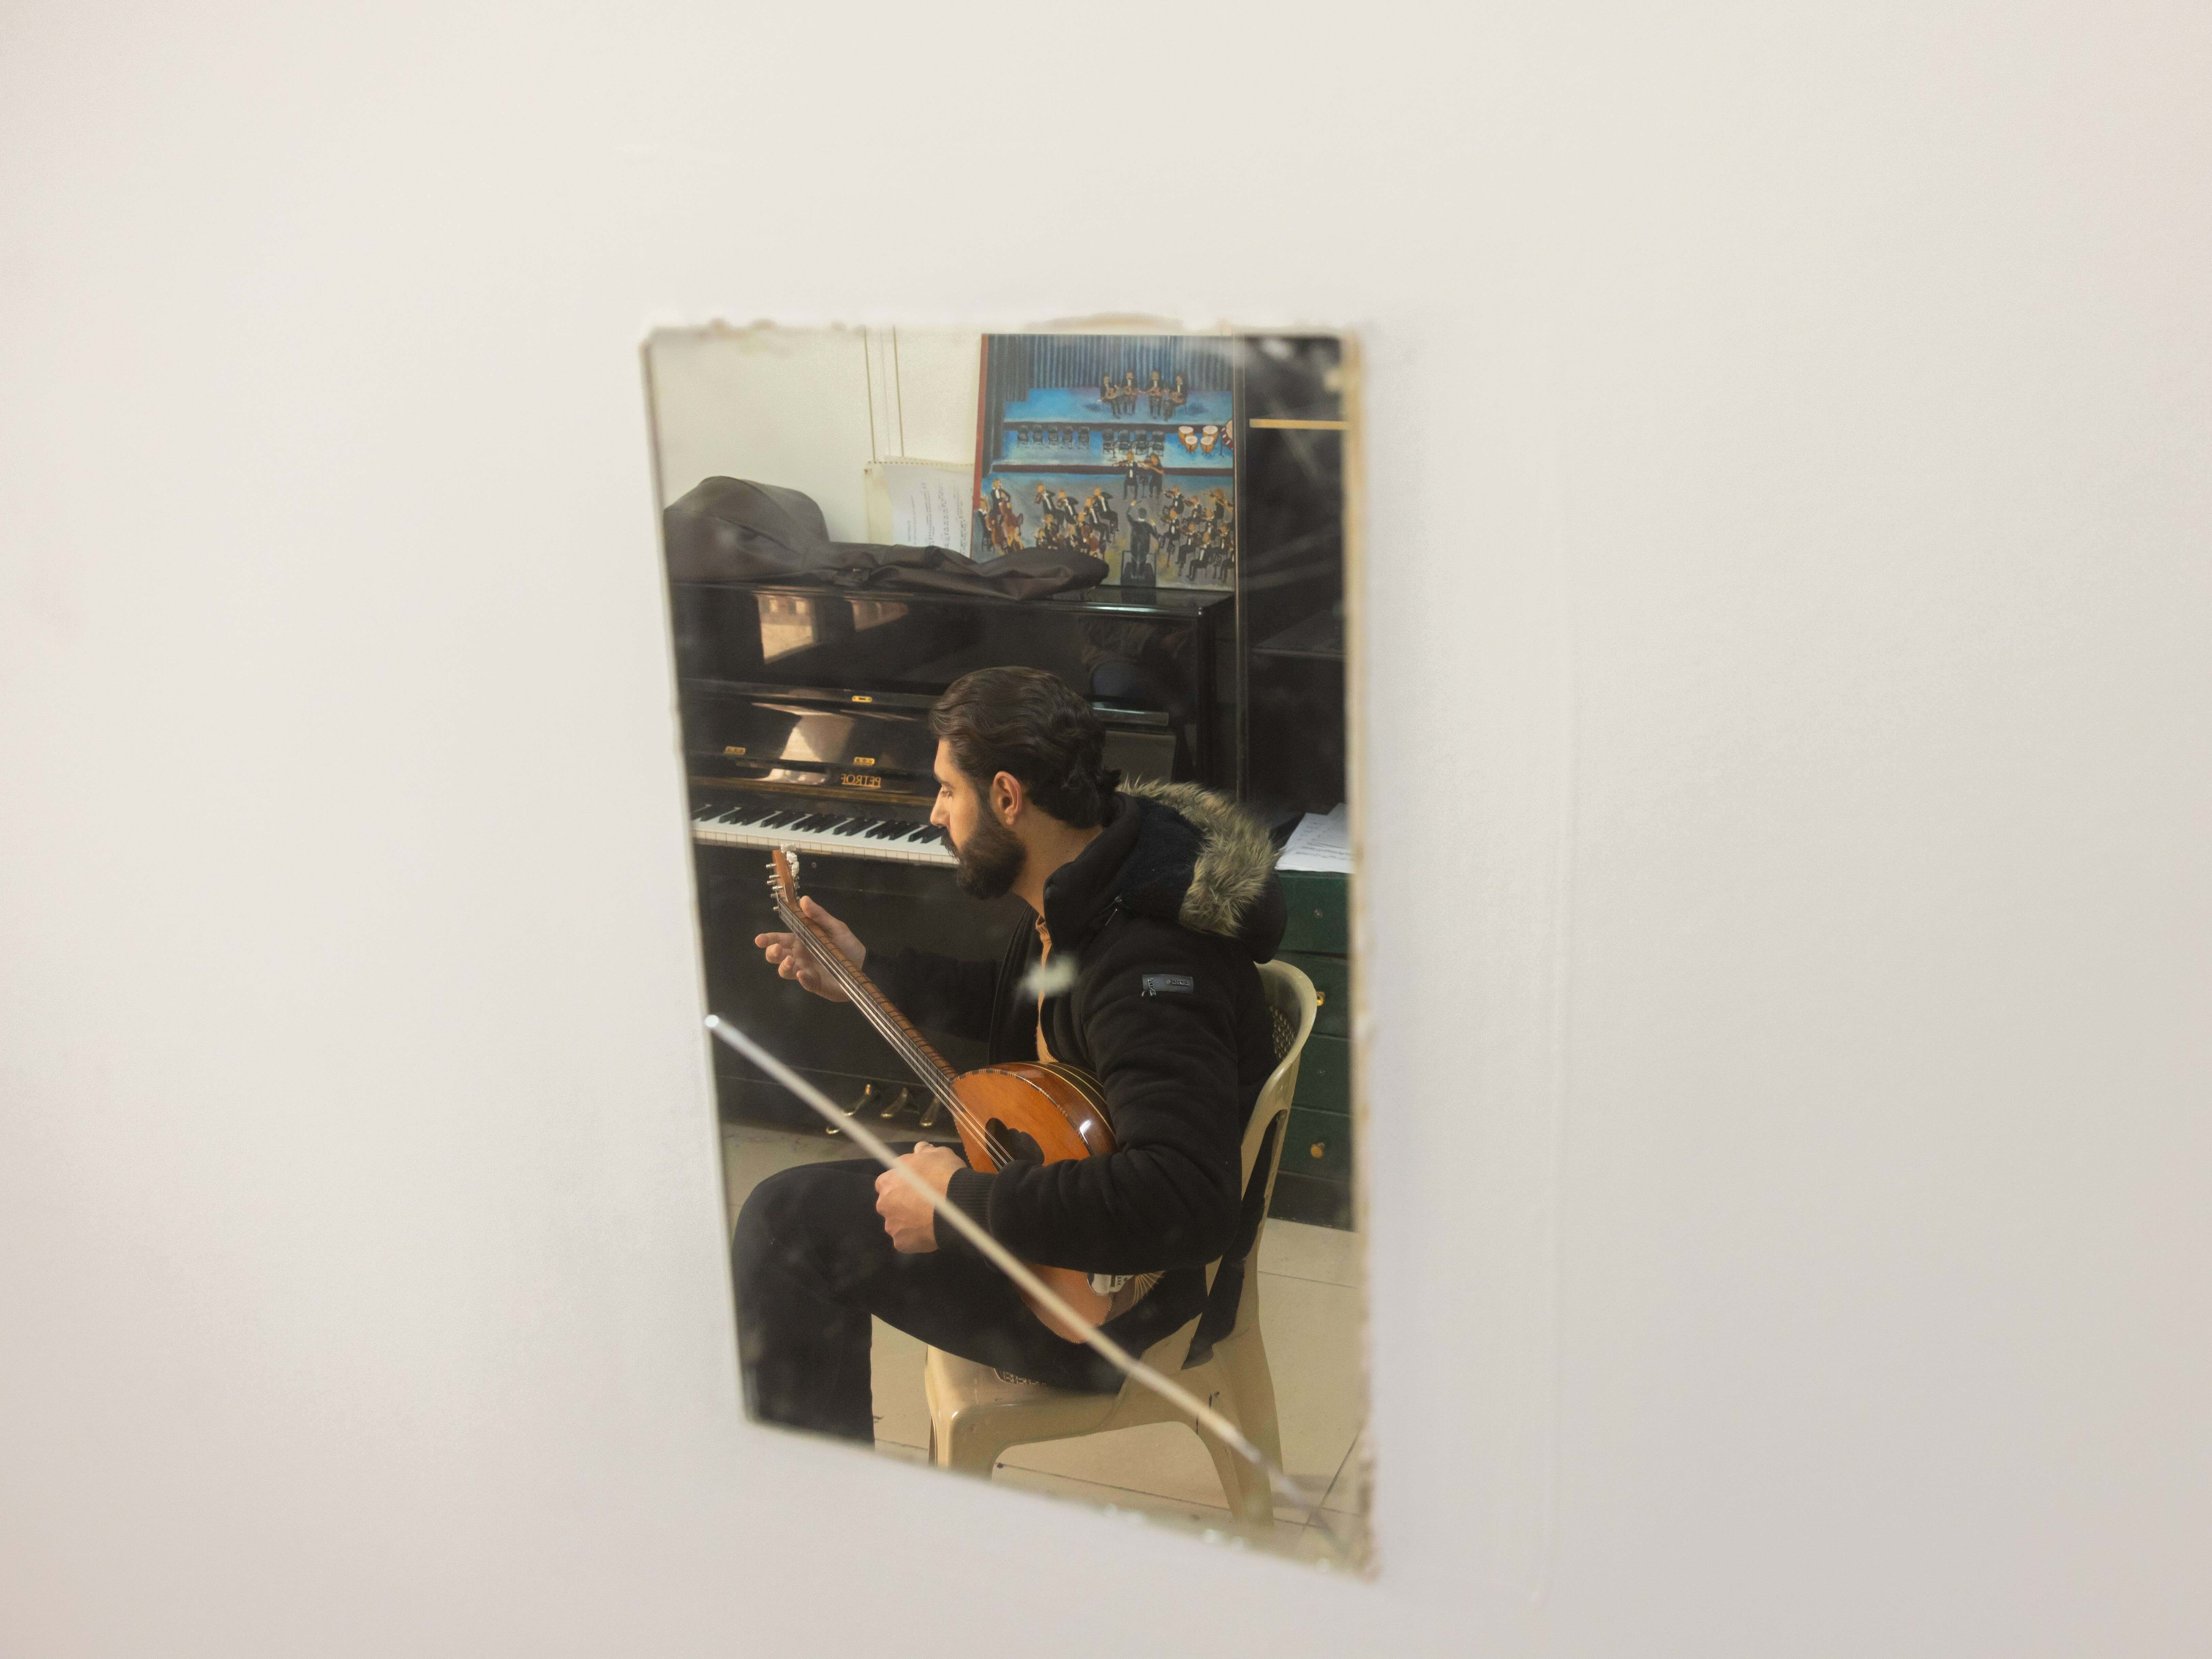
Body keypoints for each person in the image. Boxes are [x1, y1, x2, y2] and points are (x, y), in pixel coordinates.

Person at [732, 668, 1287, 1444]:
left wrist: (959, 1204)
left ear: (1005, 797)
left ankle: (818, 1499)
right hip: (1077, 1210)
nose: (934, 813)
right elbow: (1025, 1006)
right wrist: (866, 969)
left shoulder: (1150, 963)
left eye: (945, 791)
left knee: (784, 1227)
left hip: (1118, 1301)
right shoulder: (1094, 877)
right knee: (790, 1205)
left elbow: (1184, 1200)